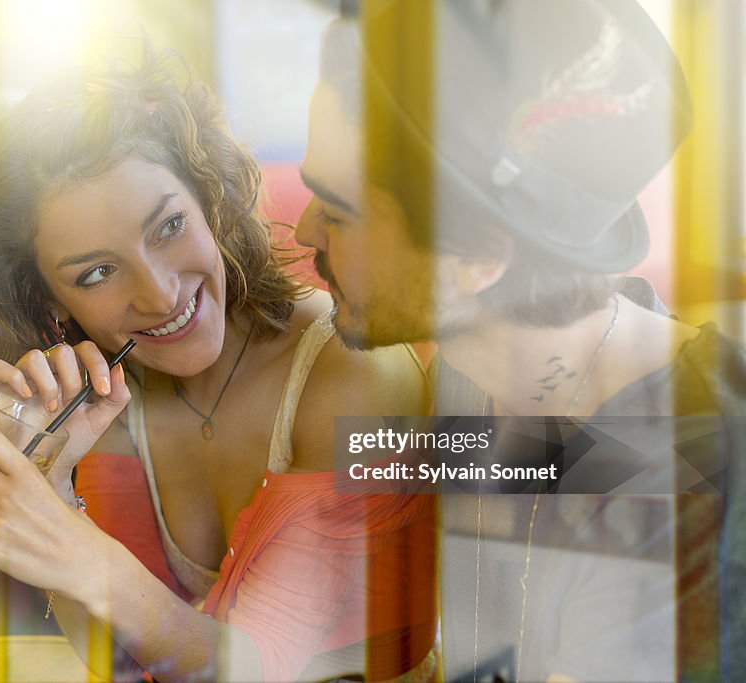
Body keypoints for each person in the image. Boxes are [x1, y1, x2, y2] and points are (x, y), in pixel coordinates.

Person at [0, 42, 438, 682]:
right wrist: (49, 481)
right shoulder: (115, 393)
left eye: (167, 227)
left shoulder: (354, 372)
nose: (160, 293)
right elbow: (124, 663)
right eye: (99, 271)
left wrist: (69, 548)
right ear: (48, 300)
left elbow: (257, 670)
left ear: (208, 197)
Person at [295, 1, 744, 681]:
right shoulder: (471, 370)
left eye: (338, 210)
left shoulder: (684, 490)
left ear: (478, 258)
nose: (303, 233)